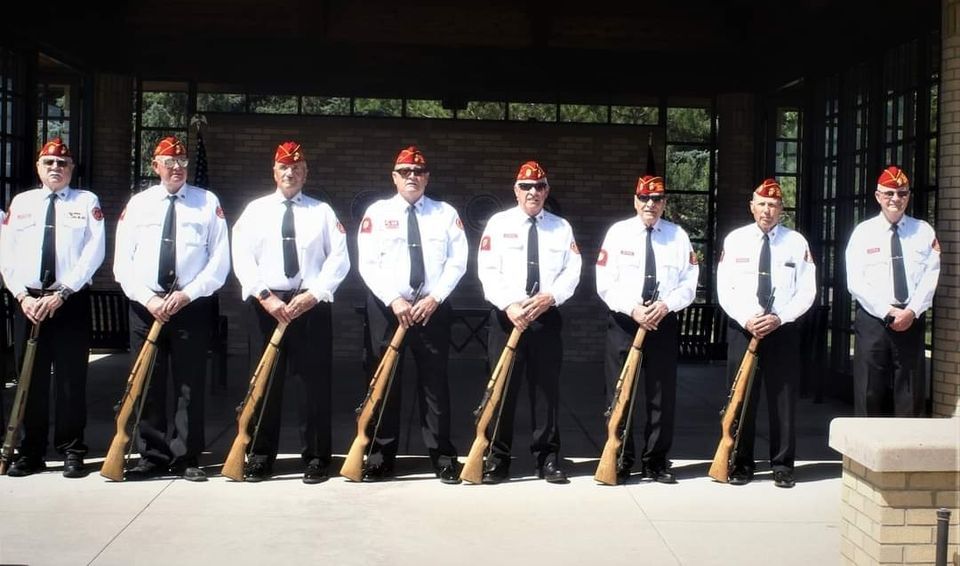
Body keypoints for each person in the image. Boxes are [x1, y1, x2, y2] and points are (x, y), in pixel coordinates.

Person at [232, 141, 350, 483]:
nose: (290, 173)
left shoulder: (322, 212)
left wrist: (314, 295)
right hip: (266, 307)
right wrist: (265, 296)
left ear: (306, 173)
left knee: (313, 385)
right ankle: (259, 456)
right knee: (264, 383)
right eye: (284, 167)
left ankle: (316, 458)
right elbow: (242, 257)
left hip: (308, 307)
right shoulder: (255, 211)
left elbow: (339, 258)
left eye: (297, 168)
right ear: (274, 171)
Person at [113, 136, 230, 481]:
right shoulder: (139, 204)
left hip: (189, 306)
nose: (177, 168)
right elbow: (123, 262)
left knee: (189, 384)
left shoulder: (207, 202)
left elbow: (219, 260)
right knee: (148, 382)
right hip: (146, 305)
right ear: (155, 166)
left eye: (182, 162)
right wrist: (147, 298)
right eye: (169, 162)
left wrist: (188, 294)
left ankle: (186, 456)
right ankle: (152, 455)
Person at [356, 145, 467, 484]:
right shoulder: (377, 213)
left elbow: (458, 261)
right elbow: (367, 262)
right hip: (388, 309)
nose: (412, 177)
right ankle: (379, 456)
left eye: (418, 172)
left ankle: (442, 457)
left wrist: (435, 297)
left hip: (431, 309)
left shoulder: (445, 213)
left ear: (427, 177)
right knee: (384, 382)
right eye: (405, 171)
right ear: (394, 177)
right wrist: (394, 299)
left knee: (435, 384)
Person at [0, 138, 105, 477]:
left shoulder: (86, 201)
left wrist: (62, 293)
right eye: (49, 163)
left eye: (62, 163)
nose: (56, 168)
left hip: (68, 301)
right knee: (30, 379)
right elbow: (6, 253)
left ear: (72, 169)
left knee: (71, 379)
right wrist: (22, 296)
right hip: (29, 302)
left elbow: (94, 252)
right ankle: (31, 451)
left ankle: (71, 449)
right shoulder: (22, 203)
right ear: (38, 167)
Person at [476, 160, 582, 484]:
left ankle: (547, 458)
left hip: (545, 318)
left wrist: (552, 296)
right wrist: (510, 304)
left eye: (539, 186)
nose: (532, 191)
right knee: (502, 390)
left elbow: (572, 270)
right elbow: (487, 269)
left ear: (546, 191)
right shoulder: (498, 224)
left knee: (546, 392)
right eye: (526, 186)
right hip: (508, 318)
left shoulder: (561, 228)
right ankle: (497, 459)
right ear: (516, 190)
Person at [595, 174, 699, 484]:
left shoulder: (678, 236)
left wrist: (666, 306)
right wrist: (633, 309)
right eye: (644, 198)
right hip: (625, 323)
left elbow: (689, 283)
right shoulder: (618, 233)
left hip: (662, 322)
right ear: (635, 200)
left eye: (656, 199)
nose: (650, 204)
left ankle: (656, 461)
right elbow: (605, 282)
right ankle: (620, 458)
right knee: (619, 393)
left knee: (661, 396)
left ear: (664, 202)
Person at [716, 178, 815, 489]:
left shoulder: (796, 242)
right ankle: (740, 463)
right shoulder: (735, 240)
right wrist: (747, 319)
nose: (767, 210)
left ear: (781, 209)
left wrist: (780, 318)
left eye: (773, 205)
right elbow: (725, 289)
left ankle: (782, 465)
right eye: (761, 204)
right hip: (744, 330)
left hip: (781, 331)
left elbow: (807, 290)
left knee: (783, 400)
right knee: (741, 397)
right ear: (752, 206)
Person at [845, 166, 940, 417]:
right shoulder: (863, 232)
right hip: (874, 320)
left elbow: (930, 277)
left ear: (908, 196)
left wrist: (912, 311)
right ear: (878, 196)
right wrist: (887, 311)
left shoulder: (923, 231)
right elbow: (855, 281)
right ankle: (866, 443)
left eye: (902, 193)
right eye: (889, 193)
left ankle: (909, 442)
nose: (895, 199)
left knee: (911, 392)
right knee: (869, 391)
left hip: (910, 318)